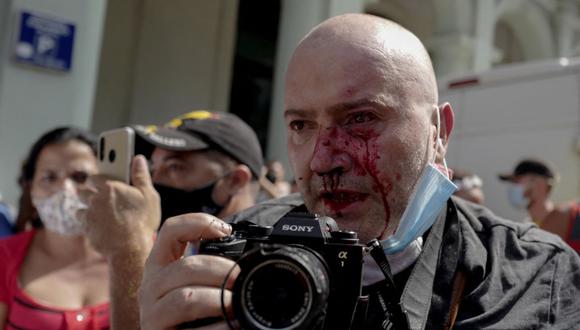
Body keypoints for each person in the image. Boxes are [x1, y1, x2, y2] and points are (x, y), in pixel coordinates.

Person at [80, 109, 265, 328]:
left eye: (175, 167)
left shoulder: (265, 268)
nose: (154, 181)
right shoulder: (180, 248)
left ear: (235, 180)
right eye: (154, 167)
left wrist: (128, 248)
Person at [0, 127, 110, 329]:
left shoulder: (136, 252)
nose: (65, 189)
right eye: (49, 177)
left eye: (80, 177)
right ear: (31, 188)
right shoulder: (3, 257)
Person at [499, 158, 580, 251]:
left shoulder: (574, 215)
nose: (513, 187)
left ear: (540, 183)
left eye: (517, 181)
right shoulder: (525, 228)